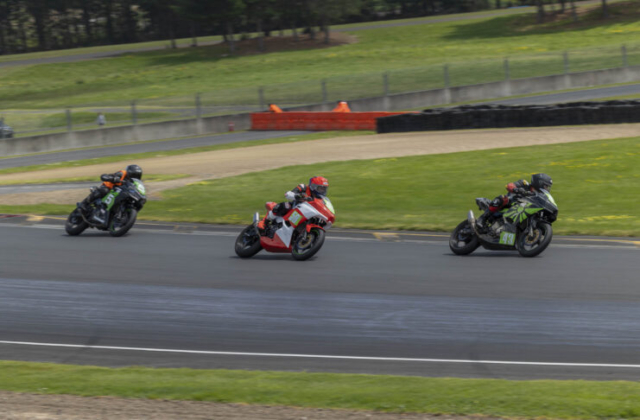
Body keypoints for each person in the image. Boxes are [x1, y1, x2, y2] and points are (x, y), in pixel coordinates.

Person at [476, 173, 553, 232]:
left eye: (548, 187)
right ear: (539, 183)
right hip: (510, 204)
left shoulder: (539, 196)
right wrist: (517, 190)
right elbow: (509, 185)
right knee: (503, 198)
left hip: (521, 211)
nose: (547, 189)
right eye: (546, 186)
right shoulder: (524, 183)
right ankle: (482, 218)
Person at [259, 176, 330, 230]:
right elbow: (288, 194)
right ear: (313, 187)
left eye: (324, 189)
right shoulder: (303, 187)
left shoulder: (321, 199)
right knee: (286, 206)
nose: (322, 191)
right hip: (294, 208)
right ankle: (265, 221)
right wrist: (297, 196)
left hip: (306, 213)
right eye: (320, 188)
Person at [78, 164, 143, 212]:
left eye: (137, 175)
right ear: (129, 173)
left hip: (121, 193)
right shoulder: (122, 173)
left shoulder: (136, 183)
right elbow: (112, 176)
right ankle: (84, 203)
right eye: (134, 175)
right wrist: (113, 178)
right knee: (104, 190)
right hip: (110, 188)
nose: (135, 177)